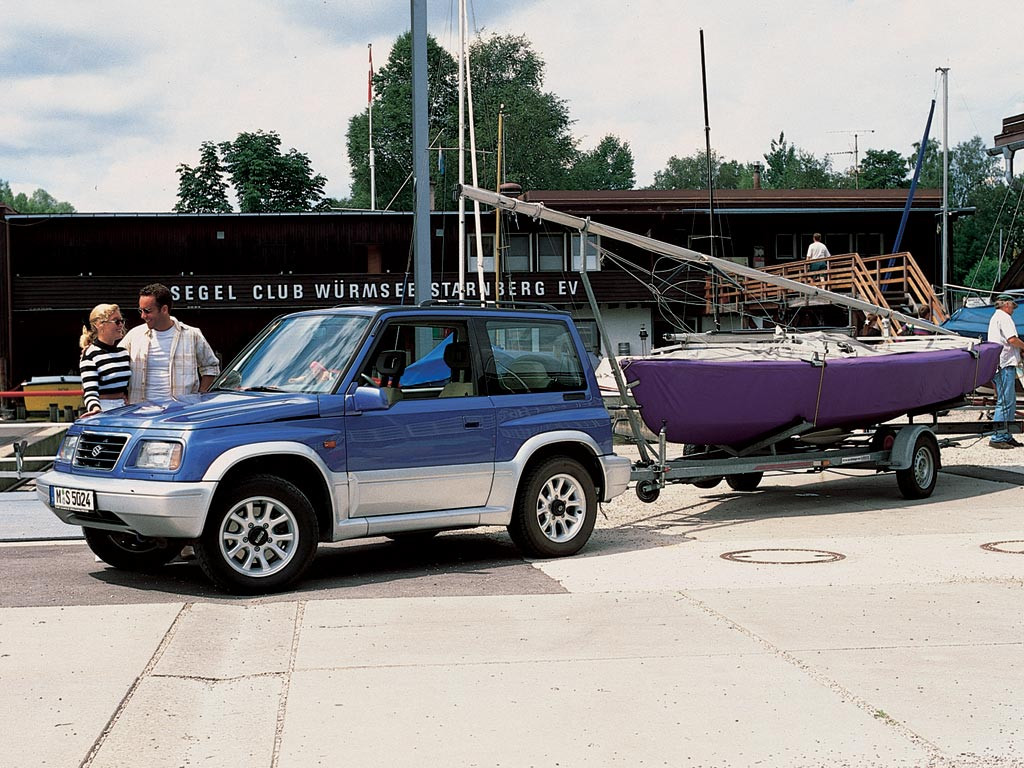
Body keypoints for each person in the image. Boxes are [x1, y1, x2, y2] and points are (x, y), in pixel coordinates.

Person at [121, 283, 220, 404]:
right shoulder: (134, 335)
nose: (143, 316)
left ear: (164, 309)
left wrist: (201, 396)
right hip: (140, 413)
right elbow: (115, 364)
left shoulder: (192, 334)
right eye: (140, 310)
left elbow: (211, 367)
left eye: (147, 311)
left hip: (180, 412)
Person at [986, 294, 1024, 449]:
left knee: (1008, 401)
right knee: (1005, 402)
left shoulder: (996, 317)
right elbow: (1012, 339)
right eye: (1013, 306)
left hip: (1000, 363)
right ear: (1006, 304)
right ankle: (998, 436)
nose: (1014, 309)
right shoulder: (1004, 318)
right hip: (1004, 364)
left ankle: (1005, 434)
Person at [78, 304, 131, 414]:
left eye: (122, 321)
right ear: (99, 324)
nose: (121, 325)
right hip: (103, 408)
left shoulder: (124, 353)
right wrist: (95, 409)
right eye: (116, 321)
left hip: (124, 408)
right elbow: (90, 391)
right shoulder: (90, 354)